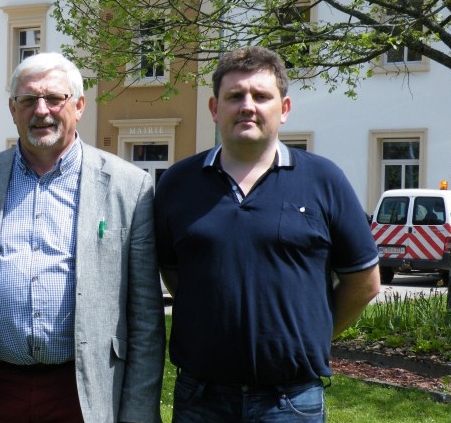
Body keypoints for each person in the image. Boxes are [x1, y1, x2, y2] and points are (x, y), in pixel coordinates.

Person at [0, 52, 166, 423]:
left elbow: (146, 320)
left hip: (83, 391)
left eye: (54, 98)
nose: (41, 111)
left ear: (79, 105)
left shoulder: (128, 187)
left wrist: (138, 412)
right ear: (12, 108)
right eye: (28, 100)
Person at [154, 46, 381, 423]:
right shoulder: (178, 183)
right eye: (235, 96)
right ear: (214, 108)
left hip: (291, 401)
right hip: (201, 398)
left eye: (261, 96)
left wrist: (312, 334)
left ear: (285, 108)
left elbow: (364, 282)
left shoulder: (324, 180)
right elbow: (175, 274)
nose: (248, 106)